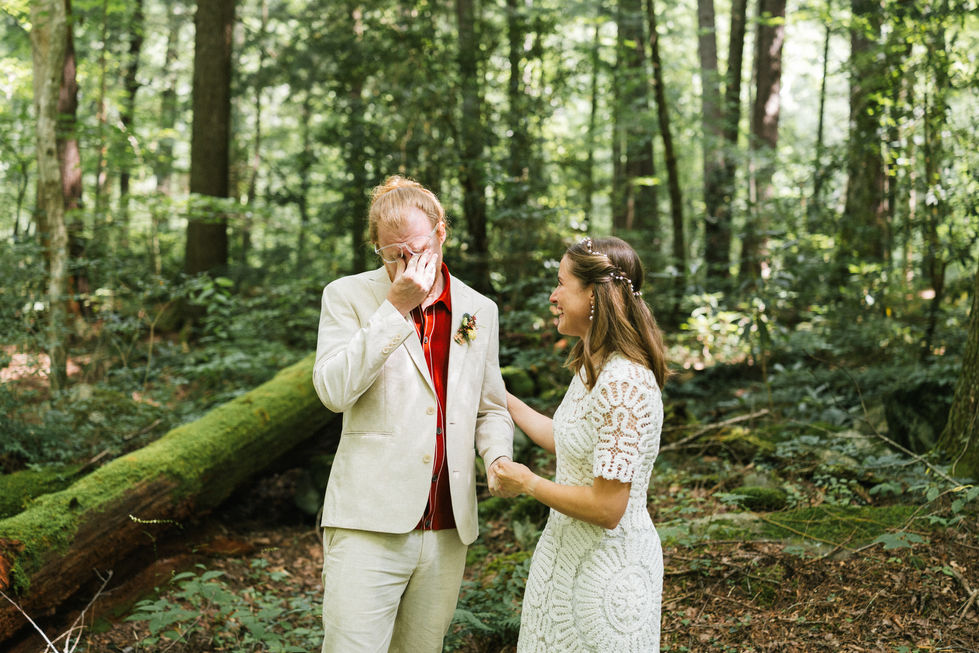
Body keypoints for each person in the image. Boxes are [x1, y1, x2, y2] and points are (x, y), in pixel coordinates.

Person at [311, 175, 514, 653]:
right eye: (391, 254)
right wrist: (395, 308)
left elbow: (492, 408)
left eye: (418, 249)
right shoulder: (346, 296)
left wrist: (497, 458)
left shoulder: (479, 309)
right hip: (367, 520)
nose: (406, 263)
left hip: (447, 525)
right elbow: (332, 390)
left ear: (441, 232)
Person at [495, 235, 669, 652]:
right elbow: (568, 440)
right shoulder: (594, 369)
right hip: (565, 562)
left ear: (593, 294)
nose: (553, 296)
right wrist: (497, 395)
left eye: (560, 283)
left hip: (605, 580)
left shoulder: (624, 385)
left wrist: (528, 483)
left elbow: (608, 509)